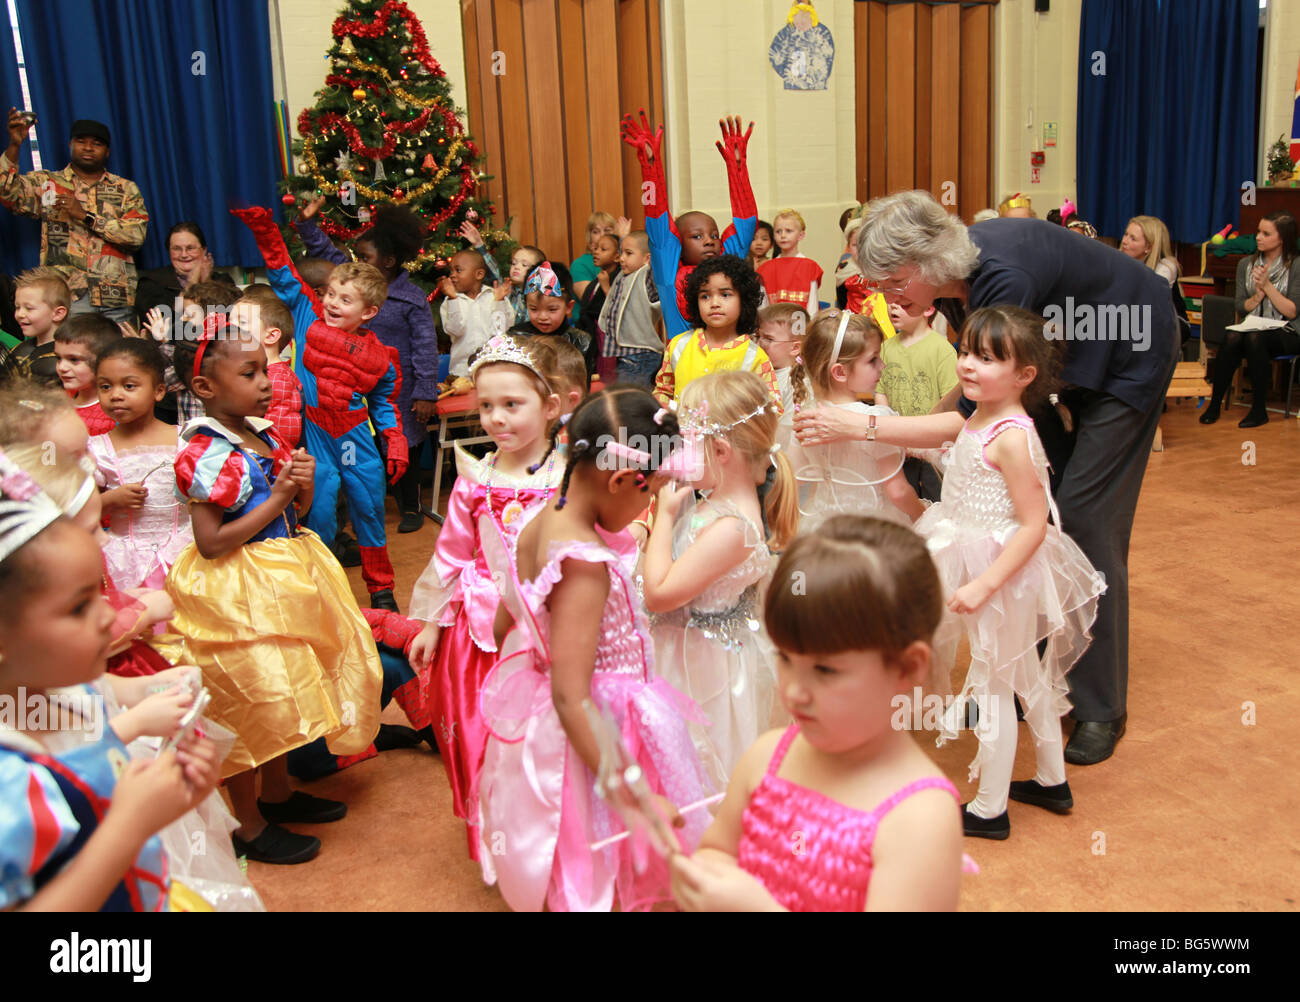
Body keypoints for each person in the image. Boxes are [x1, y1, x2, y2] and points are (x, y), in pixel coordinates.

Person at [794, 190, 1179, 766]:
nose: (887, 297)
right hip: (1063, 360)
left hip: (1129, 355)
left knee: (1087, 523)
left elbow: (975, 418)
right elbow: (971, 394)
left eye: (894, 283)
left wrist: (864, 426)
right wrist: (890, 422)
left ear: (926, 263)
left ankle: (1100, 707)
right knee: (1036, 515)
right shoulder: (954, 282)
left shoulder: (1003, 278)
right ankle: (1024, 681)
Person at [477, 386, 712, 911]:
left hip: (550, 719)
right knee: (607, 852)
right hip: (602, 726)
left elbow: (503, 623)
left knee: (571, 835)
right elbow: (572, 697)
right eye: (649, 493)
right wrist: (634, 789)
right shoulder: (584, 564)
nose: (647, 505)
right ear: (621, 478)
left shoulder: (538, 520)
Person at [163, 318, 384, 865]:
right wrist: (280, 494)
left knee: (285, 693)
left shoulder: (261, 434)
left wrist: (300, 490)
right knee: (250, 701)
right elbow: (212, 542)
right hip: (236, 594)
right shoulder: (208, 451)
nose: (265, 382)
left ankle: (279, 792)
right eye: (249, 372)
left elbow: (294, 515)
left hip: (280, 579)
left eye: (265, 370)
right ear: (206, 389)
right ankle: (247, 823)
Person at [670, 516, 964, 912]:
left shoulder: (920, 817)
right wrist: (690, 870)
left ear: (908, 667)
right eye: (786, 659)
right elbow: (718, 851)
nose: (792, 690)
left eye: (825, 670)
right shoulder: (768, 756)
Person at [0, 446, 220, 910]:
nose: (109, 616)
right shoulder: (9, 777)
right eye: (79, 607)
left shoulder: (60, 690)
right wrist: (129, 827)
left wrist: (170, 793)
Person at [916, 306, 1105, 839]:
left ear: (1024, 376)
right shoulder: (979, 417)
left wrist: (984, 582)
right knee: (1024, 674)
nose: (969, 365)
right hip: (968, 545)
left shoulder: (1013, 436)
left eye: (988, 358)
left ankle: (989, 809)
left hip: (1000, 567)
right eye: (967, 351)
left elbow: (1033, 524)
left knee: (996, 682)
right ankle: (1051, 779)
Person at [407, 335, 563, 864]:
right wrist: (430, 623)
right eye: (486, 406)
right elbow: (450, 555)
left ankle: (547, 832)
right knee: (479, 733)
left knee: (542, 736)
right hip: (478, 636)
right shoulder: (474, 480)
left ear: (551, 407)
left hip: (550, 632)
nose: (496, 418)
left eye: (512, 405)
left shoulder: (567, 479)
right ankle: (496, 834)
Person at [234, 205, 409, 611]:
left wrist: (394, 439)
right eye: (331, 293)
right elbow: (284, 274)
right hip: (315, 436)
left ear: (367, 312)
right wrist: (266, 230)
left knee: (369, 511)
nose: (332, 303)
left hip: (353, 437)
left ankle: (381, 589)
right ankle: (324, 587)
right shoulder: (307, 315)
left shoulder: (381, 357)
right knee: (321, 517)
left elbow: (384, 402)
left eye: (345, 299)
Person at [645, 370, 797, 790]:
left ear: (720, 450)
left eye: (684, 444)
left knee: (698, 768)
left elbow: (658, 594)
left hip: (699, 669)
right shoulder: (716, 503)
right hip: (692, 653)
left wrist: (664, 518)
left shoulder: (732, 528)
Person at [295, 198, 439, 532]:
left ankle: (411, 506)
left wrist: (425, 392)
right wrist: (305, 224)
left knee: (407, 443)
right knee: (362, 453)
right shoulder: (350, 282)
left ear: (388, 261)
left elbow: (425, 348)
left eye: (365, 257)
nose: (357, 262)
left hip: (395, 389)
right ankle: (355, 513)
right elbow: (327, 253)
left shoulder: (411, 298)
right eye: (357, 257)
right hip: (351, 388)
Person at [0, 112, 148, 324]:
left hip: (115, 296)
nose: (88, 148)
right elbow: (8, 193)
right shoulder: (48, 183)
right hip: (67, 294)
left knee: (121, 355)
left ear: (107, 151)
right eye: (81, 141)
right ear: (70, 144)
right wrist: (14, 145)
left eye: (96, 143)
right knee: (72, 352)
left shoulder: (125, 189)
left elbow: (136, 235)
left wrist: (86, 216)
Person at [621, 112, 758, 340]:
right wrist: (650, 167)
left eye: (714, 235)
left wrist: (737, 169)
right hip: (685, 370)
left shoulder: (727, 266)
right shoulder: (668, 272)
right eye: (697, 236)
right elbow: (655, 216)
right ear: (678, 245)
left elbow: (746, 224)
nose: (709, 240)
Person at [785, 310, 921, 527]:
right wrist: (921, 514)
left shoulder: (807, 418)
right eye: (873, 360)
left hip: (823, 525)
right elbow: (897, 491)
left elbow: (792, 479)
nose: (882, 366)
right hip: (871, 526)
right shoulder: (873, 419)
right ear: (840, 372)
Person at [88, 338, 191, 592]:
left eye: (129, 386)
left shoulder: (186, 440)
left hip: (185, 554)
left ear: (158, 390)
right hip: (124, 561)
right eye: (105, 387)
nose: (116, 395)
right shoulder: (97, 449)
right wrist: (111, 500)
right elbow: (77, 510)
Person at [1200, 210, 1300, 429]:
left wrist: (1267, 287)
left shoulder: (1296, 265)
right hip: (1255, 326)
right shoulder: (1245, 264)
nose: (1258, 237)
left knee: (1255, 338)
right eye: (1258, 232)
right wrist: (1256, 297)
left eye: (1265, 233)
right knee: (1233, 335)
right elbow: (1240, 305)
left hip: (1288, 331)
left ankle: (1259, 409)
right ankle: (1214, 405)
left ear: (1282, 238)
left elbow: (1292, 311)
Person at [654, 254, 781, 410]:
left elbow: (772, 409)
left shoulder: (755, 357)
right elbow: (662, 392)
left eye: (725, 295)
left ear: (744, 300)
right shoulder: (678, 345)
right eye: (705, 296)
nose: (714, 303)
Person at [877, 299, 959, 500]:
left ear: (929, 309)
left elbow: (950, 402)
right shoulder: (886, 348)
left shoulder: (943, 349)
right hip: (899, 447)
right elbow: (881, 392)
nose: (893, 307)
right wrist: (891, 431)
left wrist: (923, 439)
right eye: (891, 303)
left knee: (935, 499)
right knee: (903, 498)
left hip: (933, 449)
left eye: (903, 303)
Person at [233, 285, 304, 450]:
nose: (231, 326)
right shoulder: (256, 373)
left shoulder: (278, 379)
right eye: (231, 320)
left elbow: (281, 436)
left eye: (241, 322)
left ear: (271, 335)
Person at [133, 221, 238, 326]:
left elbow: (228, 320)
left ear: (204, 250)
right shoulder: (150, 283)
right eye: (176, 249)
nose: (184, 254)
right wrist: (192, 284)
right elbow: (163, 326)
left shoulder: (223, 281)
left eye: (190, 248)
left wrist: (206, 283)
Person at [597, 230, 664, 389]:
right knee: (626, 395)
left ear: (647, 258)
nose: (621, 258)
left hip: (641, 354)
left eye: (628, 254)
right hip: (626, 354)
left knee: (632, 398)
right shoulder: (624, 275)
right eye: (621, 253)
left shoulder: (646, 275)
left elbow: (657, 266)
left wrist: (665, 237)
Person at [510, 261, 595, 378]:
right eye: (534, 309)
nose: (542, 317)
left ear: (568, 307)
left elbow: (584, 385)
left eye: (552, 309)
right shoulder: (515, 337)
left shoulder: (581, 341)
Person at [439, 248, 512, 380]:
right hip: (462, 372)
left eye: (458, 270)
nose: (452, 275)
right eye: (451, 271)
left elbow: (500, 331)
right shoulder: (449, 302)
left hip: (494, 370)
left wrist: (500, 302)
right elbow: (456, 330)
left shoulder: (494, 296)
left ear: (479, 274)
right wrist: (453, 300)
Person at [4, 266, 70, 387]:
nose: (20, 314)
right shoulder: (16, 351)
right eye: (17, 307)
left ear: (58, 313)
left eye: (29, 308)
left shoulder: (68, 360)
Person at [55, 314, 119, 435]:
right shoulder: (62, 398)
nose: (62, 367)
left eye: (74, 360)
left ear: (104, 360)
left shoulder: (114, 411)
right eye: (58, 358)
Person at [756, 209, 822, 310]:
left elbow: (812, 306)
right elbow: (762, 306)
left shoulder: (810, 266)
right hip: (772, 323)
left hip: (802, 323)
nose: (783, 235)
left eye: (788, 231)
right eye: (778, 231)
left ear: (801, 235)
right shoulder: (765, 269)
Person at [576, 232, 621, 373]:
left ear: (617, 256)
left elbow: (618, 307)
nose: (596, 252)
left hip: (609, 335)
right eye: (595, 248)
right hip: (592, 332)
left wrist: (606, 286)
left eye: (603, 249)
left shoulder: (620, 278)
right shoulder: (597, 279)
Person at [755, 302, 809, 419]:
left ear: (795, 348)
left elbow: (787, 431)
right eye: (758, 336)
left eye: (769, 339)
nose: (758, 344)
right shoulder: (759, 369)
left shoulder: (795, 384)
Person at [569, 210, 619, 300]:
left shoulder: (621, 260)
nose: (602, 235)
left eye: (607, 231)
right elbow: (588, 300)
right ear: (590, 236)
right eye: (596, 232)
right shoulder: (579, 265)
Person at [1119, 215, 1179, 286]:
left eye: (1133, 239)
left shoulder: (1165, 268)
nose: (1124, 241)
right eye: (1126, 234)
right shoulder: (1117, 261)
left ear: (1149, 247)